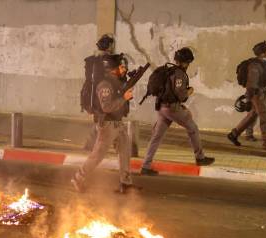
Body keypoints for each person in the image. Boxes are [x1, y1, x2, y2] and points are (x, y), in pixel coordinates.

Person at [140, 47, 215, 176]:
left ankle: (145, 166)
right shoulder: (179, 74)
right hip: (172, 108)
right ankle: (200, 158)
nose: (188, 65)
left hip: (162, 108)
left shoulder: (169, 71)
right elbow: (181, 96)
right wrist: (190, 91)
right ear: (185, 62)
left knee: (156, 137)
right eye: (188, 62)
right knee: (193, 128)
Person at [71, 54, 139, 194]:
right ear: (113, 68)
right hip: (107, 125)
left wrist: (124, 95)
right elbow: (106, 107)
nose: (124, 69)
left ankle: (125, 183)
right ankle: (78, 178)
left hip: (117, 124)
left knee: (125, 151)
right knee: (97, 155)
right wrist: (124, 98)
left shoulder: (116, 82)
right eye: (121, 66)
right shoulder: (105, 85)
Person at [227, 41, 266, 151]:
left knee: (254, 115)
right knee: (265, 117)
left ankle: (234, 134)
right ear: (263, 52)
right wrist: (248, 98)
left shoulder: (265, 62)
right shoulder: (255, 66)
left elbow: (264, 78)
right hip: (258, 94)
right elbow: (251, 84)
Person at [83, 34, 116, 152]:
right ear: (108, 46)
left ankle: (89, 145)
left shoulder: (92, 59)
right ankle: (92, 147)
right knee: (102, 122)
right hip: (102, 95)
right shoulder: (107, 61)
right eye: (111, 44)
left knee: (100, 122)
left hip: (92, 95)